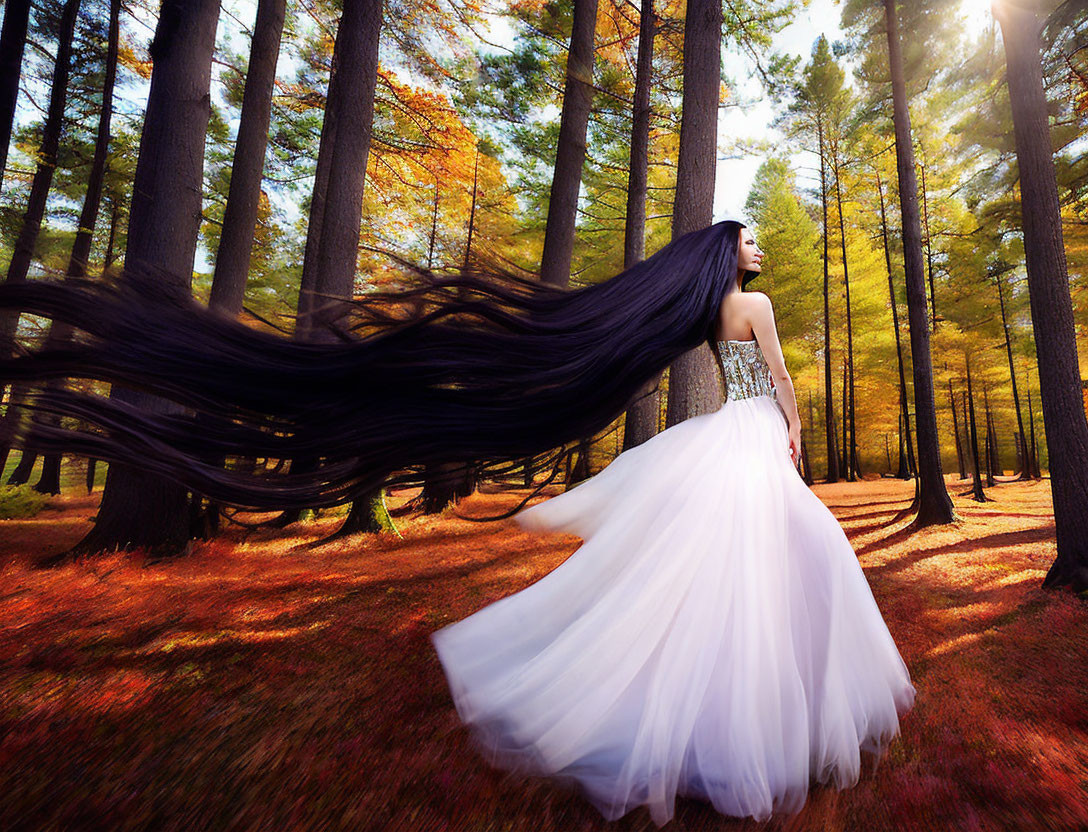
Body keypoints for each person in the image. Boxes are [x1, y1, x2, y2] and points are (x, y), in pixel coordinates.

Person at [430, 225, 916, 826]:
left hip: (730, 426)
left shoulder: (707, 311)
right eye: (750, 242)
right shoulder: (755, 304)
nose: (759, 249)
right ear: (728, 252)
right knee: (797, 548)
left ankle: (748, 703)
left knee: (743, 550)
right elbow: (779, 376)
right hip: (757, 426)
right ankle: (787, 713)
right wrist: (794, 428)